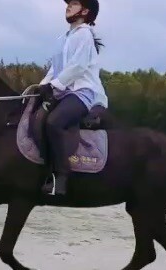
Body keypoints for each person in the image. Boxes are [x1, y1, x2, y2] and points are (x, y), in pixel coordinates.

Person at [38, 0, 108, 196]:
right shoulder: (64, 38)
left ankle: (61, 175)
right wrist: (42, 86)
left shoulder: (85, 34)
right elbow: (55, 68)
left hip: (82, 92)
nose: (68, 6)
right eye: (69, 4)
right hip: (64, 91)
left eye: (74, 3)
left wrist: (55, 86)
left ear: (85, 11)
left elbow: (78, 67)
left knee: (54, 122)